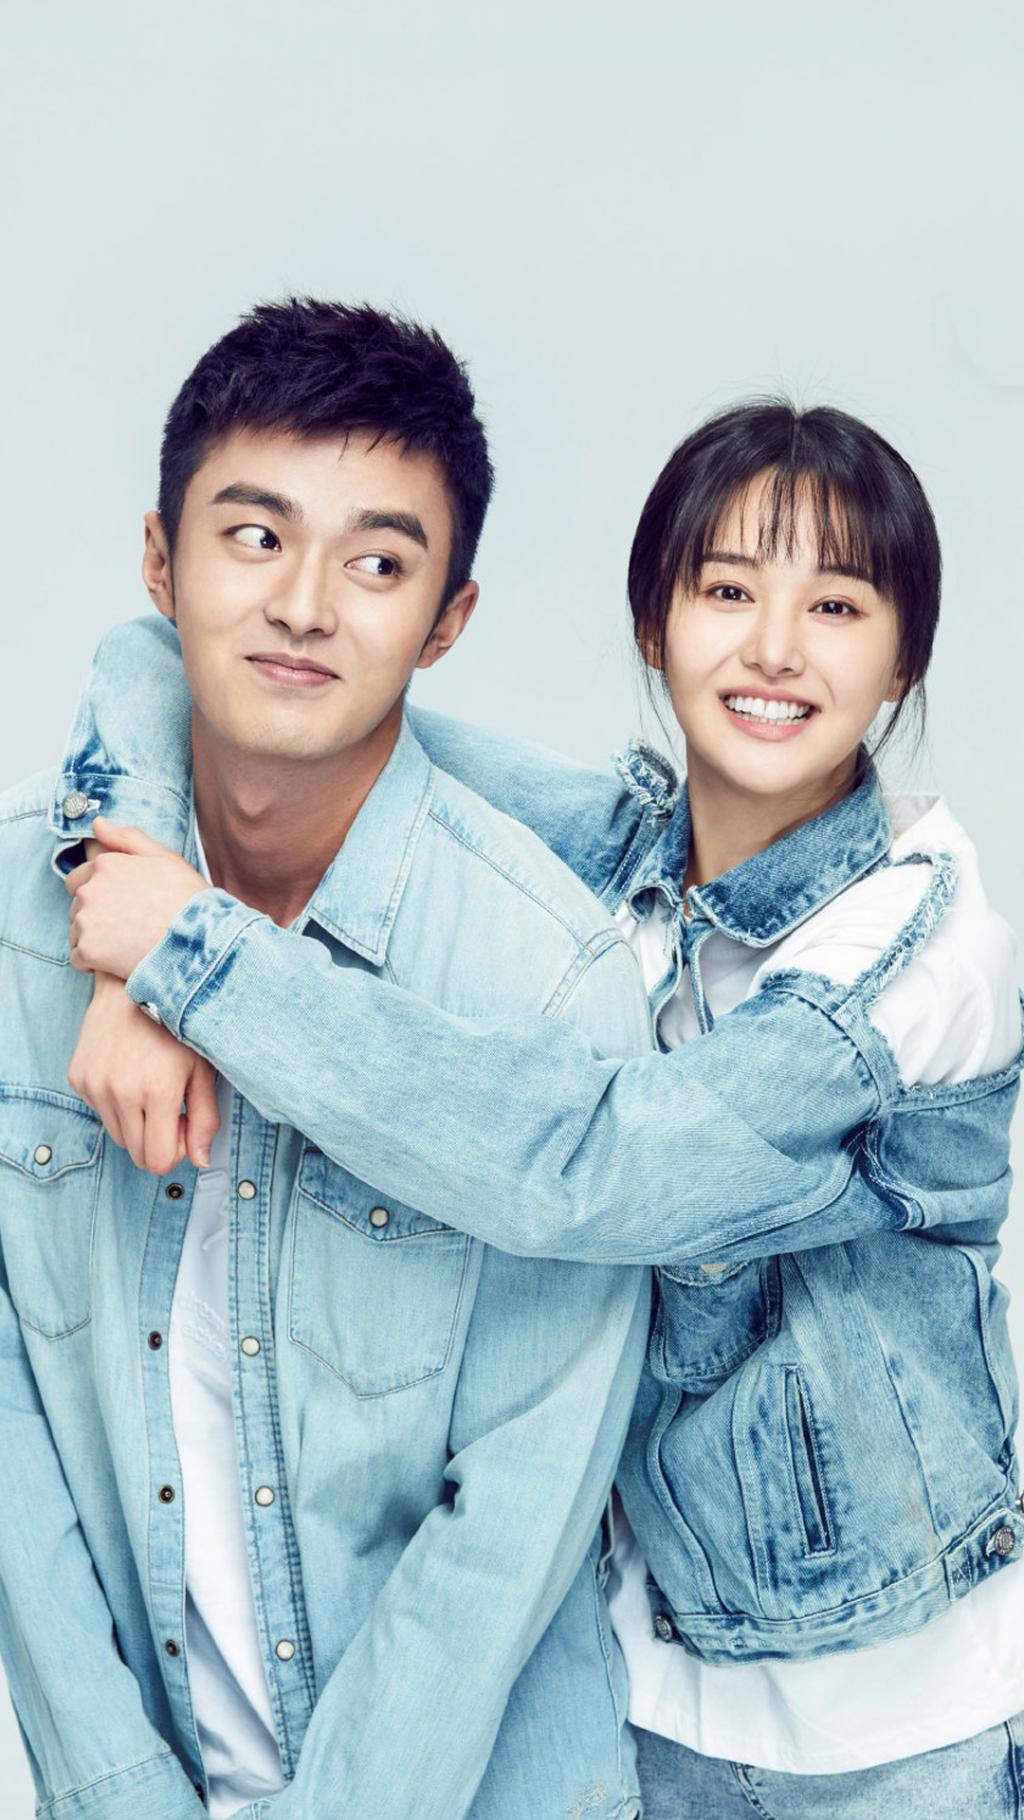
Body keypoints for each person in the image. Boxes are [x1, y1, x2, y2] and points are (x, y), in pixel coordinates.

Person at [63, 400, 1024, 1816]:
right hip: (634, 1704)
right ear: (653, 626)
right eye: (727, 591)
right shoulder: (619, 858)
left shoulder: (920, 948)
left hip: (891, 1728)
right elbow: (192, 668)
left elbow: (598, 1170)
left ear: (904, 660)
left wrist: (190, 960)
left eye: (836, 605)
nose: (774, 649)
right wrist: (126, 960)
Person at [0, 298, 655, 1820]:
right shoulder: (23, 919)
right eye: (253, 537)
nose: (303, 606)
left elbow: (512, 1524)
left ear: (448, 619)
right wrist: (112, 1787)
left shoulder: (544, 987)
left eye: (376, 564)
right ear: (159, 561)